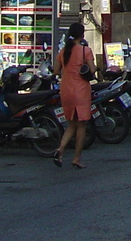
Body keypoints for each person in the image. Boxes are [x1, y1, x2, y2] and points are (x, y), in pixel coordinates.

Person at [53, 22, 94, 168]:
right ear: (82, 35)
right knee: (81, 125)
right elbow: (93, 70)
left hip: (66, 90)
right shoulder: (85, 51)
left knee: (71, 124)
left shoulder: (63, 51)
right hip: (81, 90)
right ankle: (76, 158)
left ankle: (60, 149)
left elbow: (55, 71)